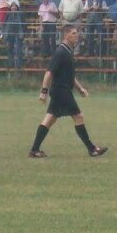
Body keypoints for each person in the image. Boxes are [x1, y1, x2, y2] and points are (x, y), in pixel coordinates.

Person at [29, 25, 108, 158]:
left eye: (76, 33)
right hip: (61, 91)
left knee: (49, 119)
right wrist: (43, 92)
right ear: (66, 35)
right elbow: (49, 73)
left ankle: (34, 150)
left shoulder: (68, 52)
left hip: (62, 90)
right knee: (79, 117)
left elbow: (70, 76)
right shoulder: (60, 52)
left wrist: (80, 88)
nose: (77, 35)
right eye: (73, 33)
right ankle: (92, 149)